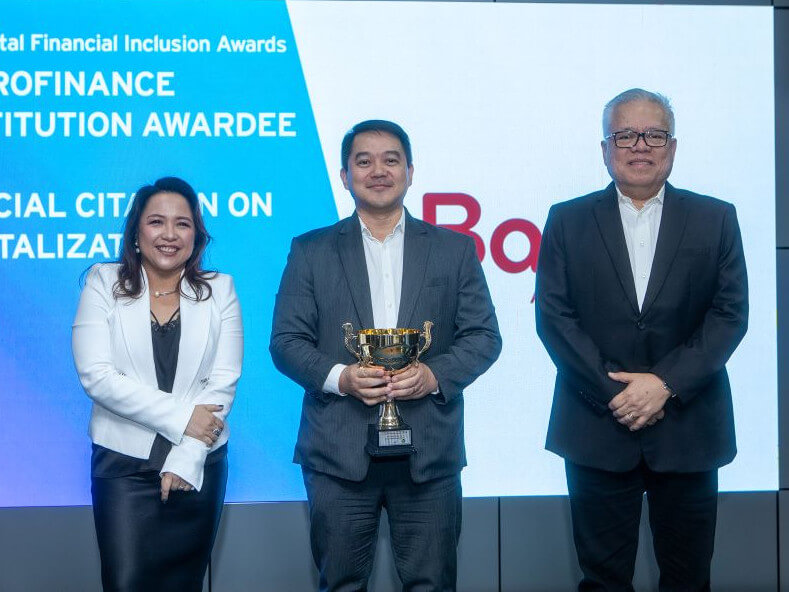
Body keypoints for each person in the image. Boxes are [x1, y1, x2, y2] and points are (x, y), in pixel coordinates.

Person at [270, 120, 501, 591]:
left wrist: (434, 375)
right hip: (337, 454)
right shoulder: (310, 250)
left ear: (410, 172)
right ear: (344, 175)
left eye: (391, 159)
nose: (378, 170)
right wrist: (342, 377)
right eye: (364, 160)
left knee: (433, 584)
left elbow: (484, 337)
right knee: (341, 585)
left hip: (429, 456)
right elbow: (286, 343)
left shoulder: (454, 250)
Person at [535, 88, 748, 590]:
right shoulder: (566, 220)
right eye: (625, 134)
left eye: (654, 134)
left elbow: (730, 315)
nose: (640, 145)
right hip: (597, 426)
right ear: (605, 149)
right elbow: (555, 318)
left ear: (671, 148)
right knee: (603, 579)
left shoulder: (716, 218)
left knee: (688, 578)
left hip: (689, 426)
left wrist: (665, 384)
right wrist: (620, 395)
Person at [72, 176, 243, 591]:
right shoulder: (103, 282)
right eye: (156, 222)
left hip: (199, 460)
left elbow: (223, 381)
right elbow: (97, 376)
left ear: (196, 235)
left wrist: (189, 456)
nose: (169, 234)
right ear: (135, 233)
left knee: (183, 584)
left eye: (182, 224)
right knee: (126, 583)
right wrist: (186, 418)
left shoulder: (220, 289)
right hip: (123, 464)